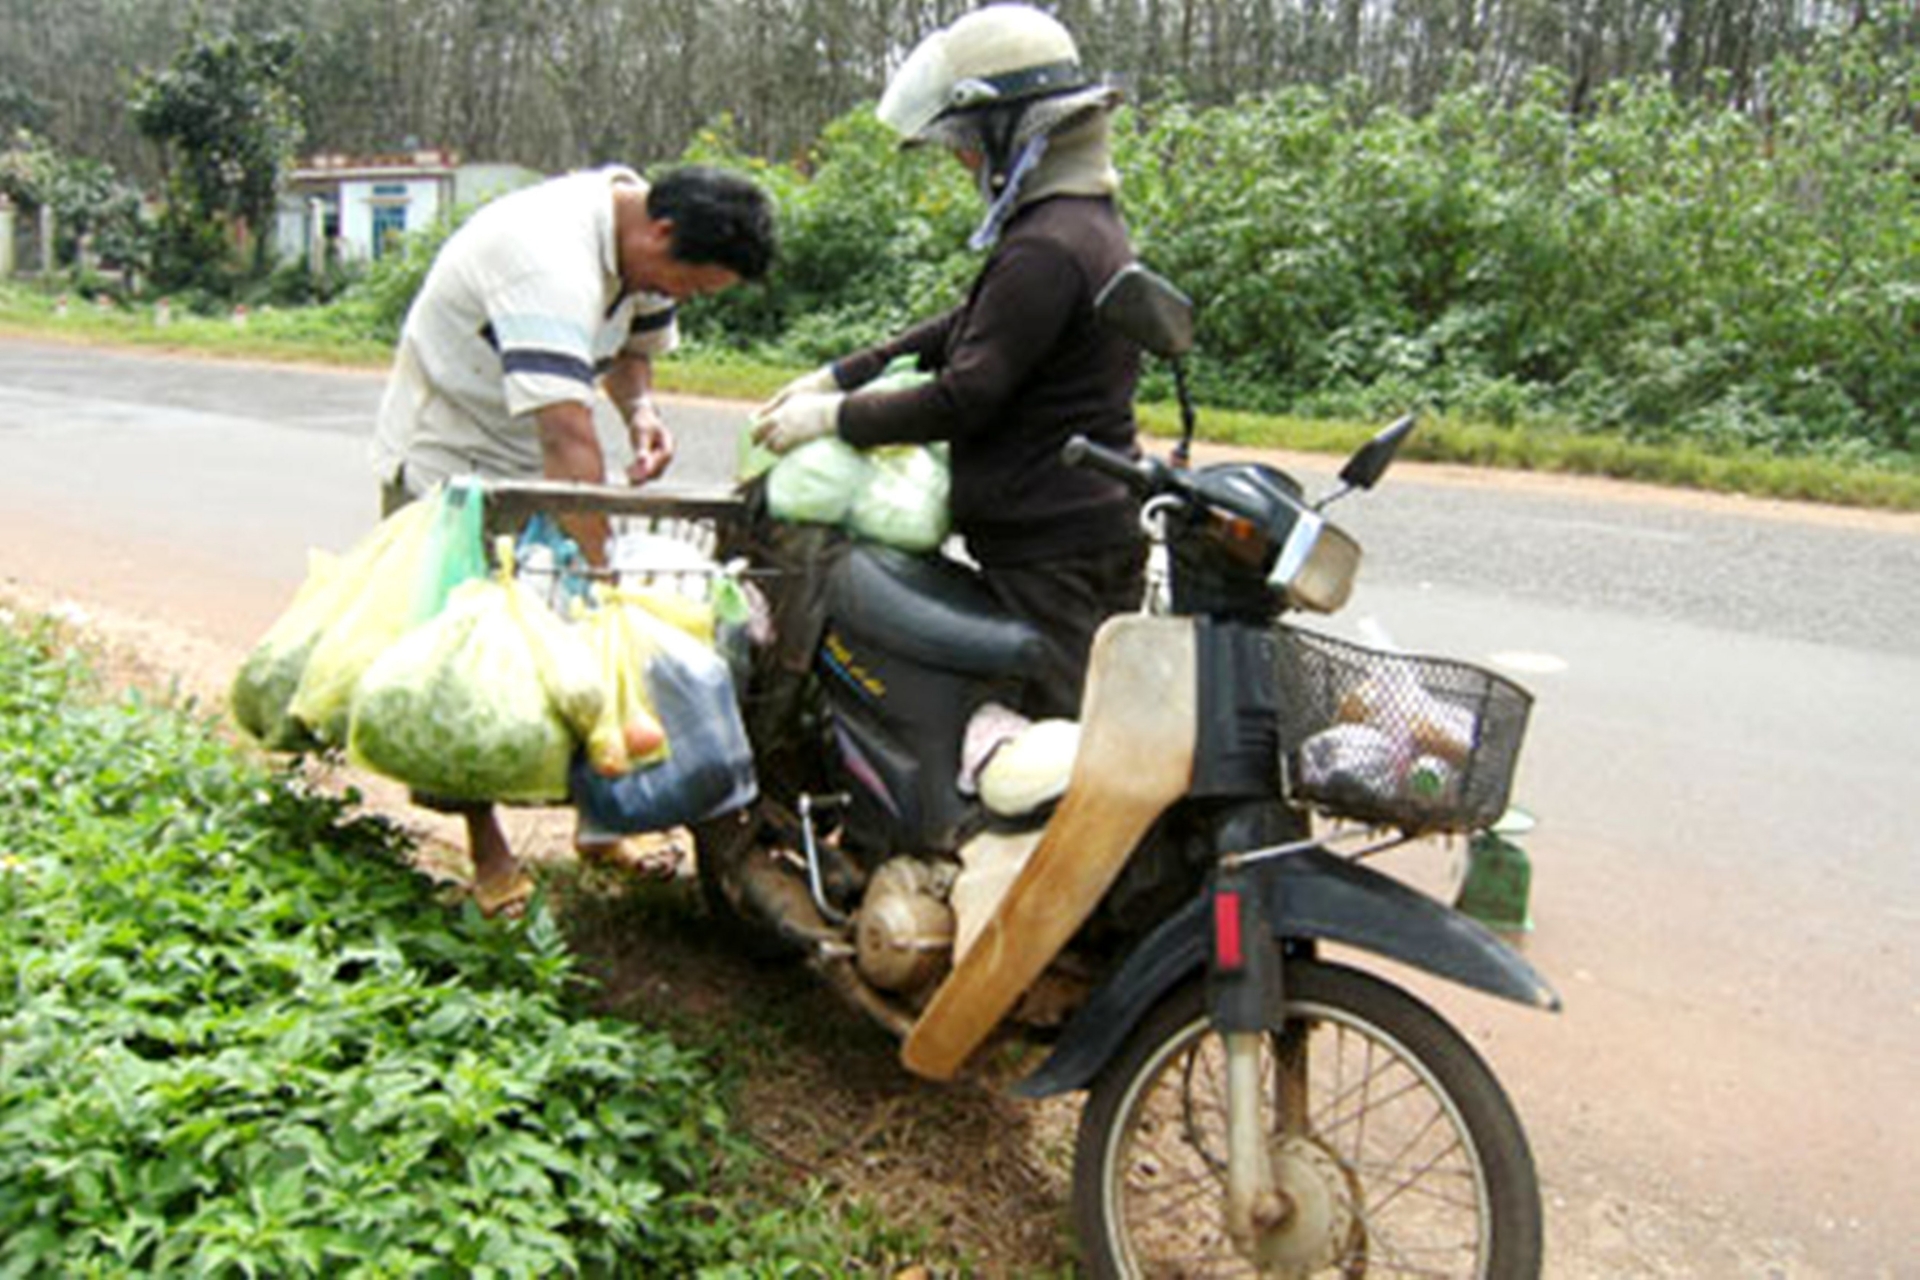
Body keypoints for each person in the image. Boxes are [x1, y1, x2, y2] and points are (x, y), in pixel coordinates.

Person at [370, 163, 776, 915]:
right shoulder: (544, 255)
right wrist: (601, 570)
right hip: (454, 458)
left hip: (542, 450)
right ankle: (488, 854)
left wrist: (643, 415)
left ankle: (599, 826)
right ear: (660, 232)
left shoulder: (645, 250)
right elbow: (566, 433)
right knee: (469, 665)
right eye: (690, 284)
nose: (683, 300)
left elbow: (631, 356)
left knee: (573, 652)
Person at [751, 3, 1145, 723]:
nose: (963, 159)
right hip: (1075, 525)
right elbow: (966, 325)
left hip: (1052, 546)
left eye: (966, 142)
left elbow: (967, 395)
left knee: (1060, 748)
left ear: (1014, 132)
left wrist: (831, 419)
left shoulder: (1046, 245)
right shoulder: (1075, 223)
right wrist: (845, 372)